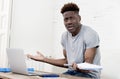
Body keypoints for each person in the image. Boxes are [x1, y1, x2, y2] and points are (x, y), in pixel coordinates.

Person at [27, 2, 101, 79]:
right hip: (71, 72)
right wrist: (44, 59)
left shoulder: (90, 34)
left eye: (72, 18)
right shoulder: (64, 36)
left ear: (79, 18)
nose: (69, 22)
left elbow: (88, 66)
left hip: (89, 76)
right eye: (66, 19)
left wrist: (79, 67)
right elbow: (66, 62)